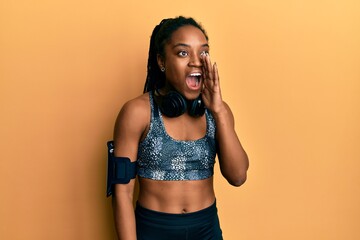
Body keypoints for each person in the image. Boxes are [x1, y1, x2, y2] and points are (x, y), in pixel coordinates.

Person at [111, 16, 249, 240]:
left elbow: (238, 176)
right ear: (162, 61)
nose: (196, 61)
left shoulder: (218, 112)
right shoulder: (137, 113)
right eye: (183, 53)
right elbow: (122, 193)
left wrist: (219, 111)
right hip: (154, 230)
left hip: (206, 229)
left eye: (203, 52)